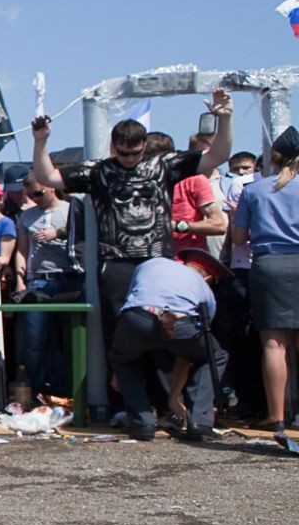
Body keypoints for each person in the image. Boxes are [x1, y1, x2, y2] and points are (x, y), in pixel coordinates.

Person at [29, 92, 232, 339]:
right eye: (123, 153)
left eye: (135, 153)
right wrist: (40, 141)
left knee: (162, 332)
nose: (129, 159)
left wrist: (225, 118)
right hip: (117, 264)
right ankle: (118, 377)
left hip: (158, 260)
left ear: (144, 146)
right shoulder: (100, 170)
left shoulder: (163, 165)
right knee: (119, 334)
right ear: (114, 147)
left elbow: (218, 155)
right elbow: (47, 177)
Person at [109, 251, 227, 440]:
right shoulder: (205, 289)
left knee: (124, 360)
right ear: (209, 278)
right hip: (179, 324)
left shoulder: (151, 264)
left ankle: (142, 423)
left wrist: (117, 373)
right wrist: (174, 396)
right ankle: (199, 421)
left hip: (137, 318)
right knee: (214, 355)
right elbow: (189, 352)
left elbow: (131, 298)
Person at [230, 126, 299, 436]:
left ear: (274, 158)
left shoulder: (255, 190)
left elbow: (239, 237)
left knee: (273, 343)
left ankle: (276, 415)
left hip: (269, 266)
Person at [14, 176, 78, 397]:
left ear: (52, 187)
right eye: (31, 195)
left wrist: (57, 233)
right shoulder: (27, 215)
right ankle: (39, 389)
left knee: (69, 337)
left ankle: (70, 390)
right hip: (37, 280)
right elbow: (22, 249)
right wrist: (20, 280)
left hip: (69, 279)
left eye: (39, 193)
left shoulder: (71, 211)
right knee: (35, 339)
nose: (35, 198)